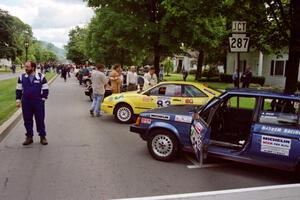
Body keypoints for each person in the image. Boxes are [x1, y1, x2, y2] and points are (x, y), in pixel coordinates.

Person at [16, 61, 49, 145]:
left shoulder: (41, 77)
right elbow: (19, 89)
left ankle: (42, 136)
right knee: (27, 120)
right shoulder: (21, 77)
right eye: (25, 66)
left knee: (40, 119)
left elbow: (45, 89)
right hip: (26, 102)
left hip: (38, 102)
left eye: (27, 67)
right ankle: (29, 137)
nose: (25, 68)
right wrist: (18, 100)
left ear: (33, 68)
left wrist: (43, 99)